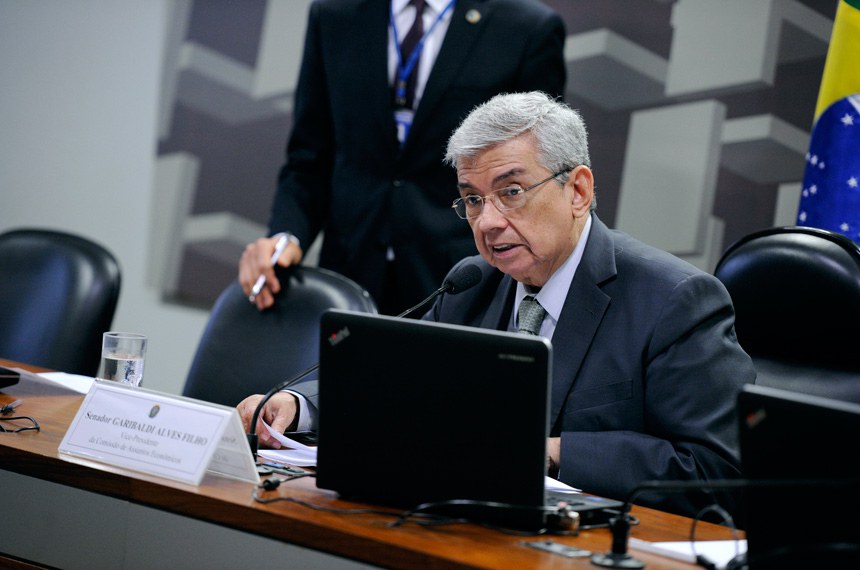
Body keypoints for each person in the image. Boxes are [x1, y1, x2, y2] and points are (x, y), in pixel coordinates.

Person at [238, 91, 757, 520]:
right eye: (473, 199)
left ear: (578, 191)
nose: (486, 222)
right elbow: (394, 386)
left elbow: (718, 471)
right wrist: (302, 405)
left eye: (511, 192)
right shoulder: (472, 284)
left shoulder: (675, 300)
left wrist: (550, 451)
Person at [238, 0, 566, 316]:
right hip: (349, 270)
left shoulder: (526, 27)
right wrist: (285, 236)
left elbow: (533, 169)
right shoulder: (334, 14)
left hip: (459, 282)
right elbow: (309, 158)